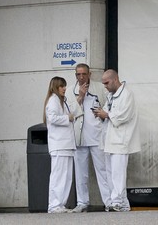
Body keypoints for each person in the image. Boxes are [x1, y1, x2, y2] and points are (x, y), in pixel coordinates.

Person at [92, 68, 141, 212]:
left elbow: (124, 116)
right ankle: (123, 204)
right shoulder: (110, 95)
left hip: (121, 140)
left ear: (115, 79)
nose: (105, 86)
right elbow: (109, 114)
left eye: (107, 83)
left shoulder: (127, 94)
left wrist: (106, 114)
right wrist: (101, 114)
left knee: (118, 173)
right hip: (109, 139)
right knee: (111, 173)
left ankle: (117, 202)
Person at [65, 63, 111, 213]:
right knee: (80, 172)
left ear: (89, 74)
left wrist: (103, 114)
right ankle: (82, 202)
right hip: (79, 137)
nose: (81, 77)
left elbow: (108, 106)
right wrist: (81, 96)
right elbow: (69, 112)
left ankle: (109, 201)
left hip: (97, 136)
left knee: (103, 170)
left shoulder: (99, 88)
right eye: (78, 74)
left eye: (84, 74)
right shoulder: (70, 91)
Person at [43, 76, 76, 213]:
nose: (64, 88)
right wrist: (67, 118)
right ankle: (54, 204)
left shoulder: (62, 101)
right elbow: (52, 118)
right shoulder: (53, 101)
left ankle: (60, 203)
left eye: (65, 86)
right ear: (55, 87)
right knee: (59, 175)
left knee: (66, 176)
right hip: (59, 144)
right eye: (62, 86)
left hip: (66, 144)